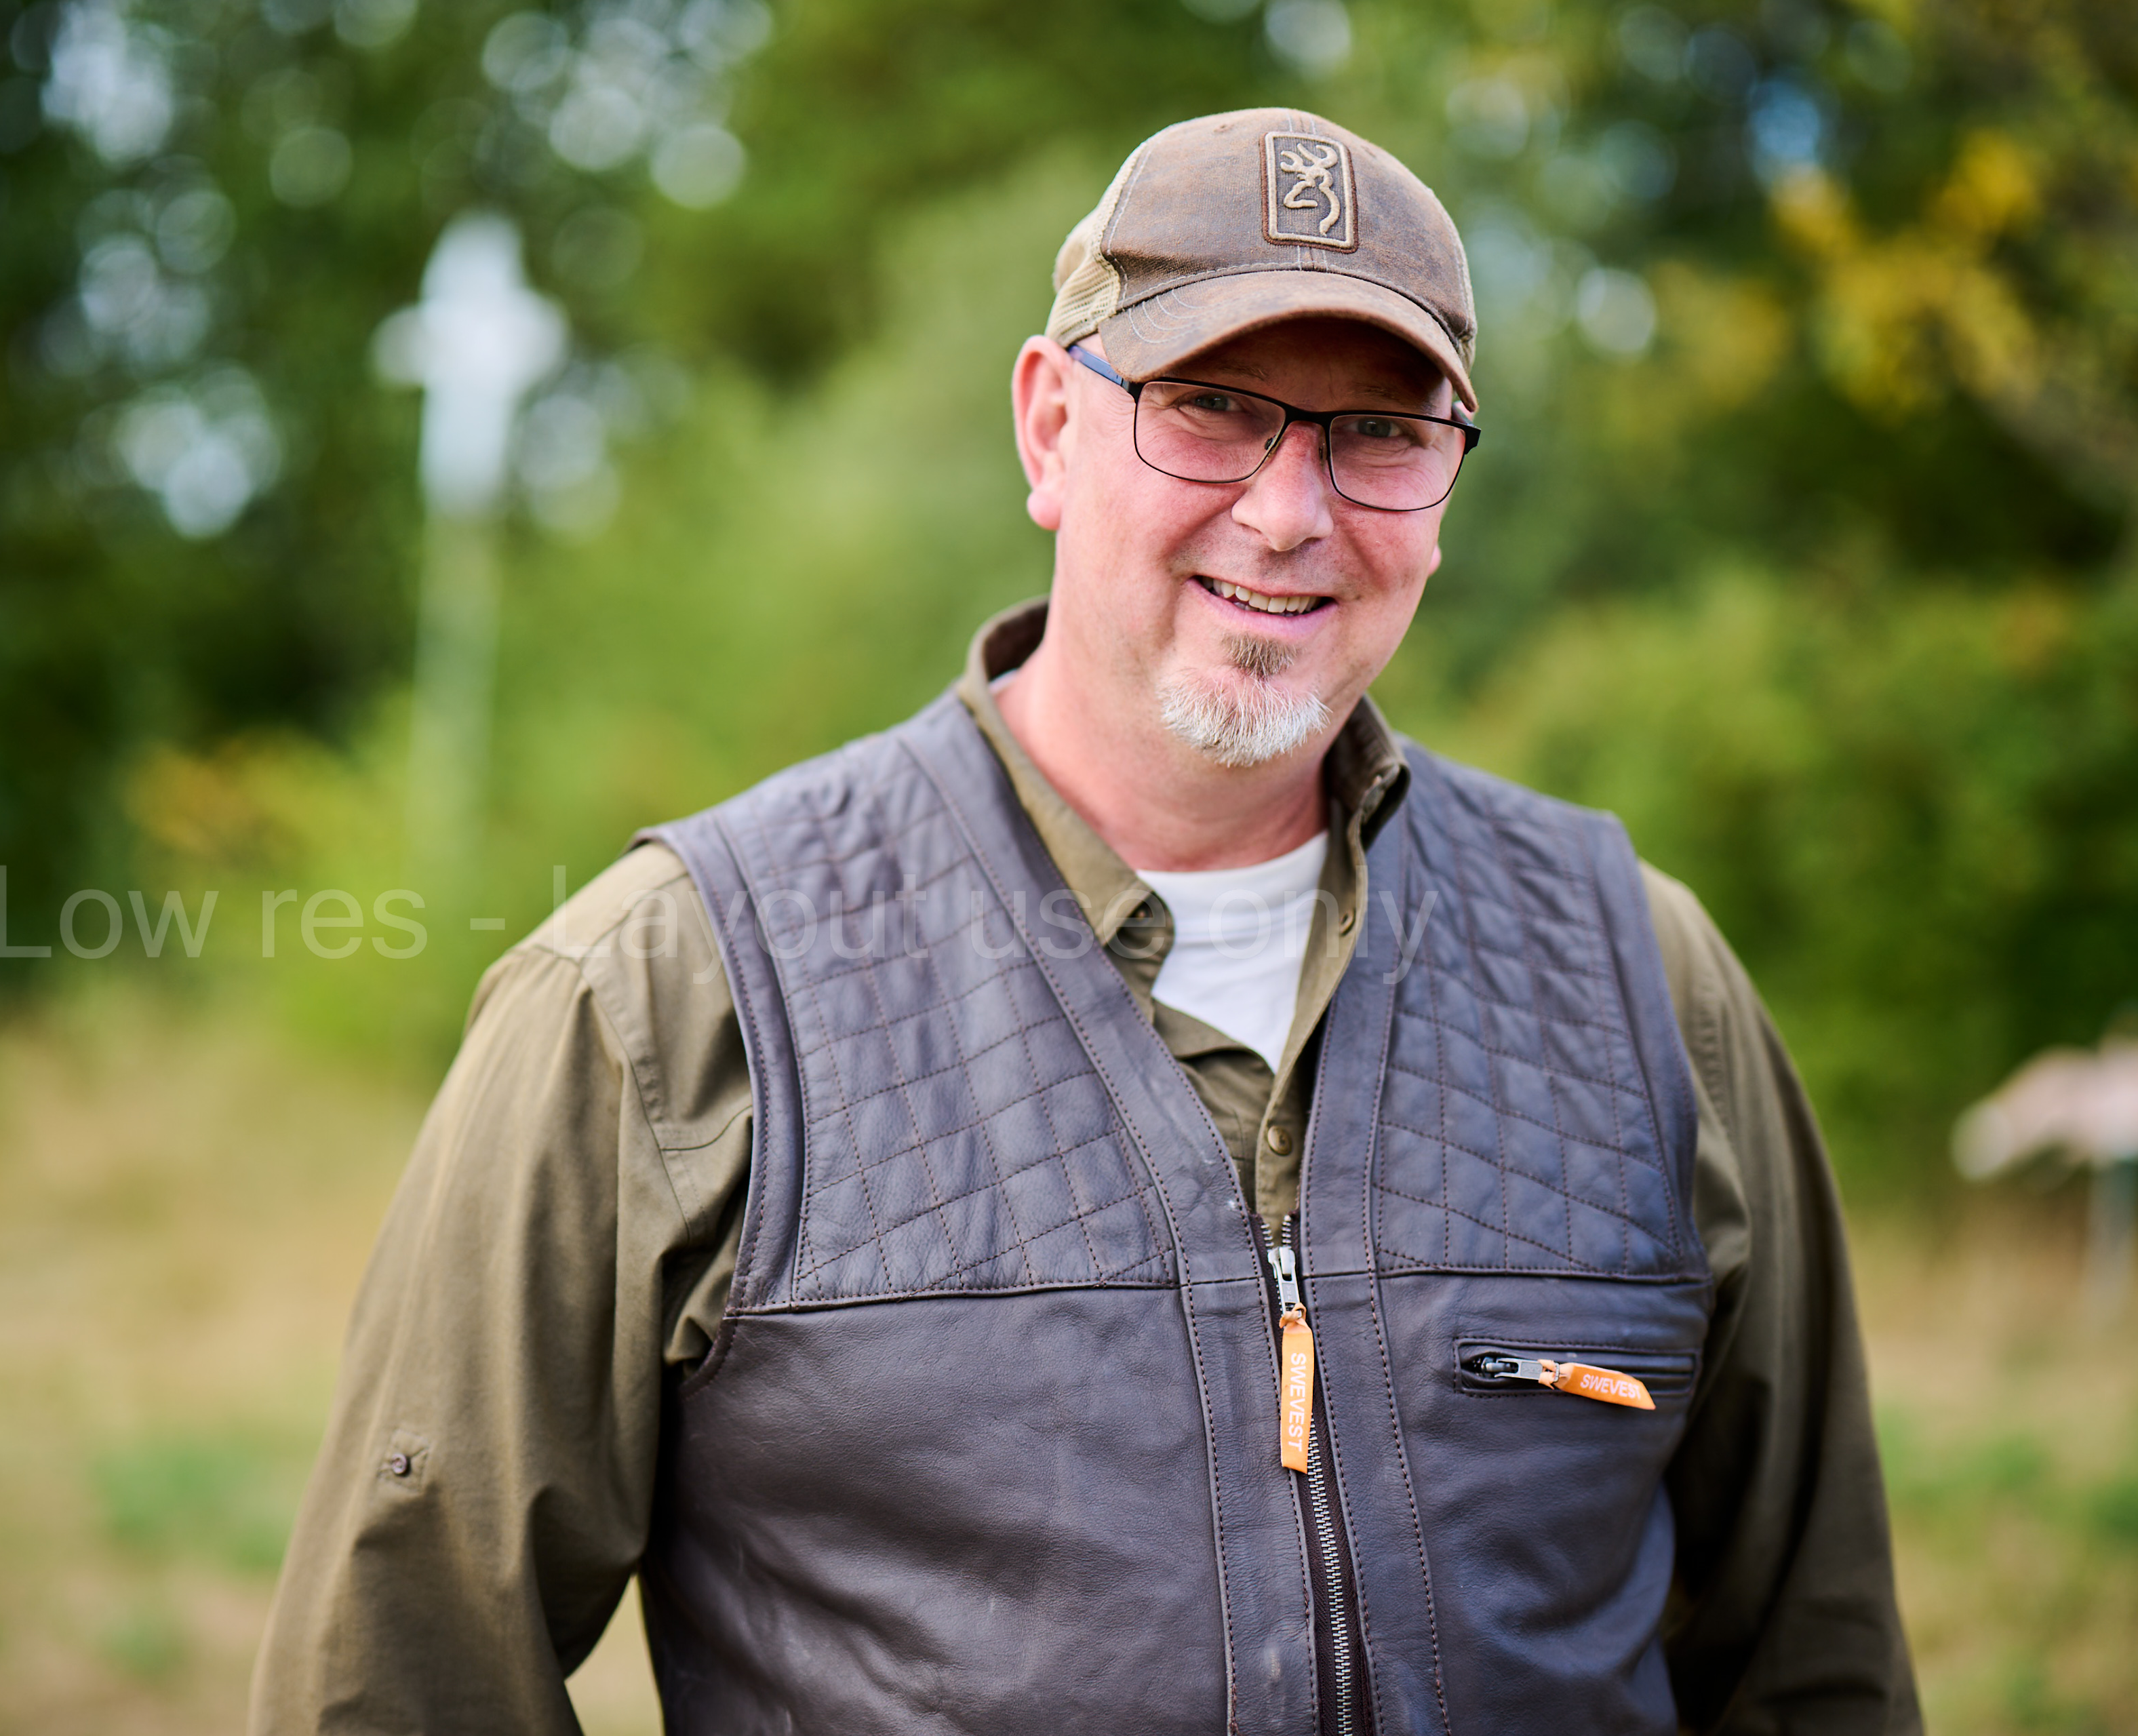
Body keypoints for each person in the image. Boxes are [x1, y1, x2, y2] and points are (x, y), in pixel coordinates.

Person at [251, 107, 1920, 1735]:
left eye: (1379, 434)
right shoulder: (664, 987)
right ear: (1052, 427)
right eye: (1210, 407)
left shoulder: (1643, 969)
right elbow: (398, 1673)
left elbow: (1815, 1660)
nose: (1290, 512)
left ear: (1447, 481)